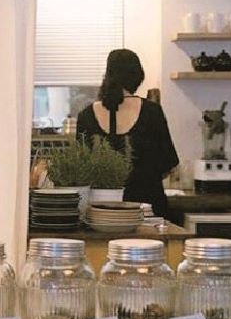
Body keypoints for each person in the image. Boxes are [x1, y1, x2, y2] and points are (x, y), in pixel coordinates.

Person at [76, 49, 179, 218]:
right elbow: (167, 163)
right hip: (147, 207)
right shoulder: (152, 112)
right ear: (138, 76)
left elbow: (82, 169)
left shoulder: (86, 115)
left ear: (107, 76)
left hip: (102, 211)